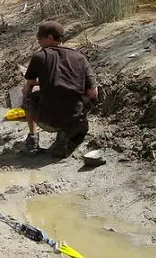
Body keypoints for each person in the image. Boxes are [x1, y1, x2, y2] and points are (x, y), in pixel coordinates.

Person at [21, 20, 98, 157]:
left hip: (47, 120)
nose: (38, 40)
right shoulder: (80, 58)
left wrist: (41, 84)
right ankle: (67, 133)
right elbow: (93, 93)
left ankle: (32, 140)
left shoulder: (40, 57)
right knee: (86, 98)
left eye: (40, 37)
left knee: (27, 93)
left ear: (50, 38)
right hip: (73, 117)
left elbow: (30, 82)